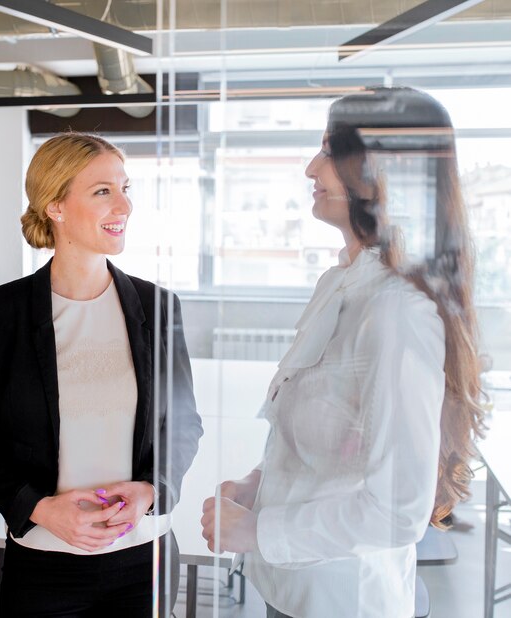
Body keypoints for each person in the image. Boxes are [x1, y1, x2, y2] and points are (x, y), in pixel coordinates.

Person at [201, 87, 485, 618]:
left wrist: (259, 529)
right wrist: (256, 485)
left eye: (329, 151)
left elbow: (398, 512)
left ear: (379, 171)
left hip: (342, 601)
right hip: (287, 591)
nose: (312, 168)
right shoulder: (341, 283)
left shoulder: (397, 310)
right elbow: (326, 441)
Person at [0, 133, 203, 617]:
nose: (125, 204)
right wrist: (41, 509)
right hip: (43, 563)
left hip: (144, 559)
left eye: (125, 187)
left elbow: (185, 424)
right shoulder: (1, 311)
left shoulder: (158, 307)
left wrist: (153, 490)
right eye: (103, 190)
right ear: (56, 207)